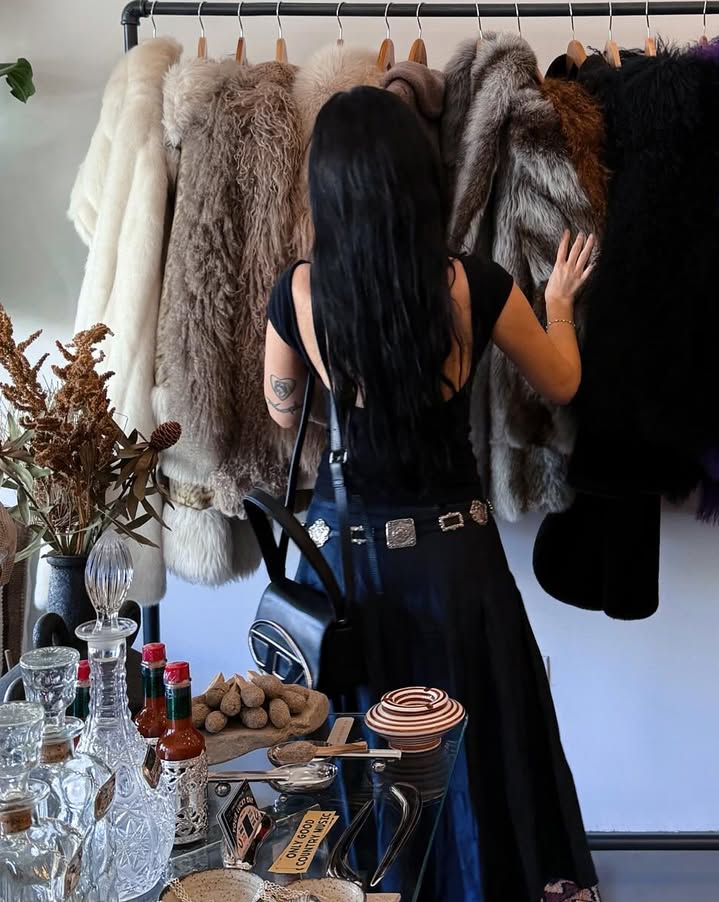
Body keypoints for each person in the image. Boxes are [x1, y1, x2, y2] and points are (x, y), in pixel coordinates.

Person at [263, 85, 600, 902]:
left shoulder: (299, 291)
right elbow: (562, 380)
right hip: (456, 560)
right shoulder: (475, 284)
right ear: (421, 180)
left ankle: (358, 886)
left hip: (347, 568)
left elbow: (281, 409)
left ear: (327, 187)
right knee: (471, 742)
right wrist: (558, 303)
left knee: (351, 745)